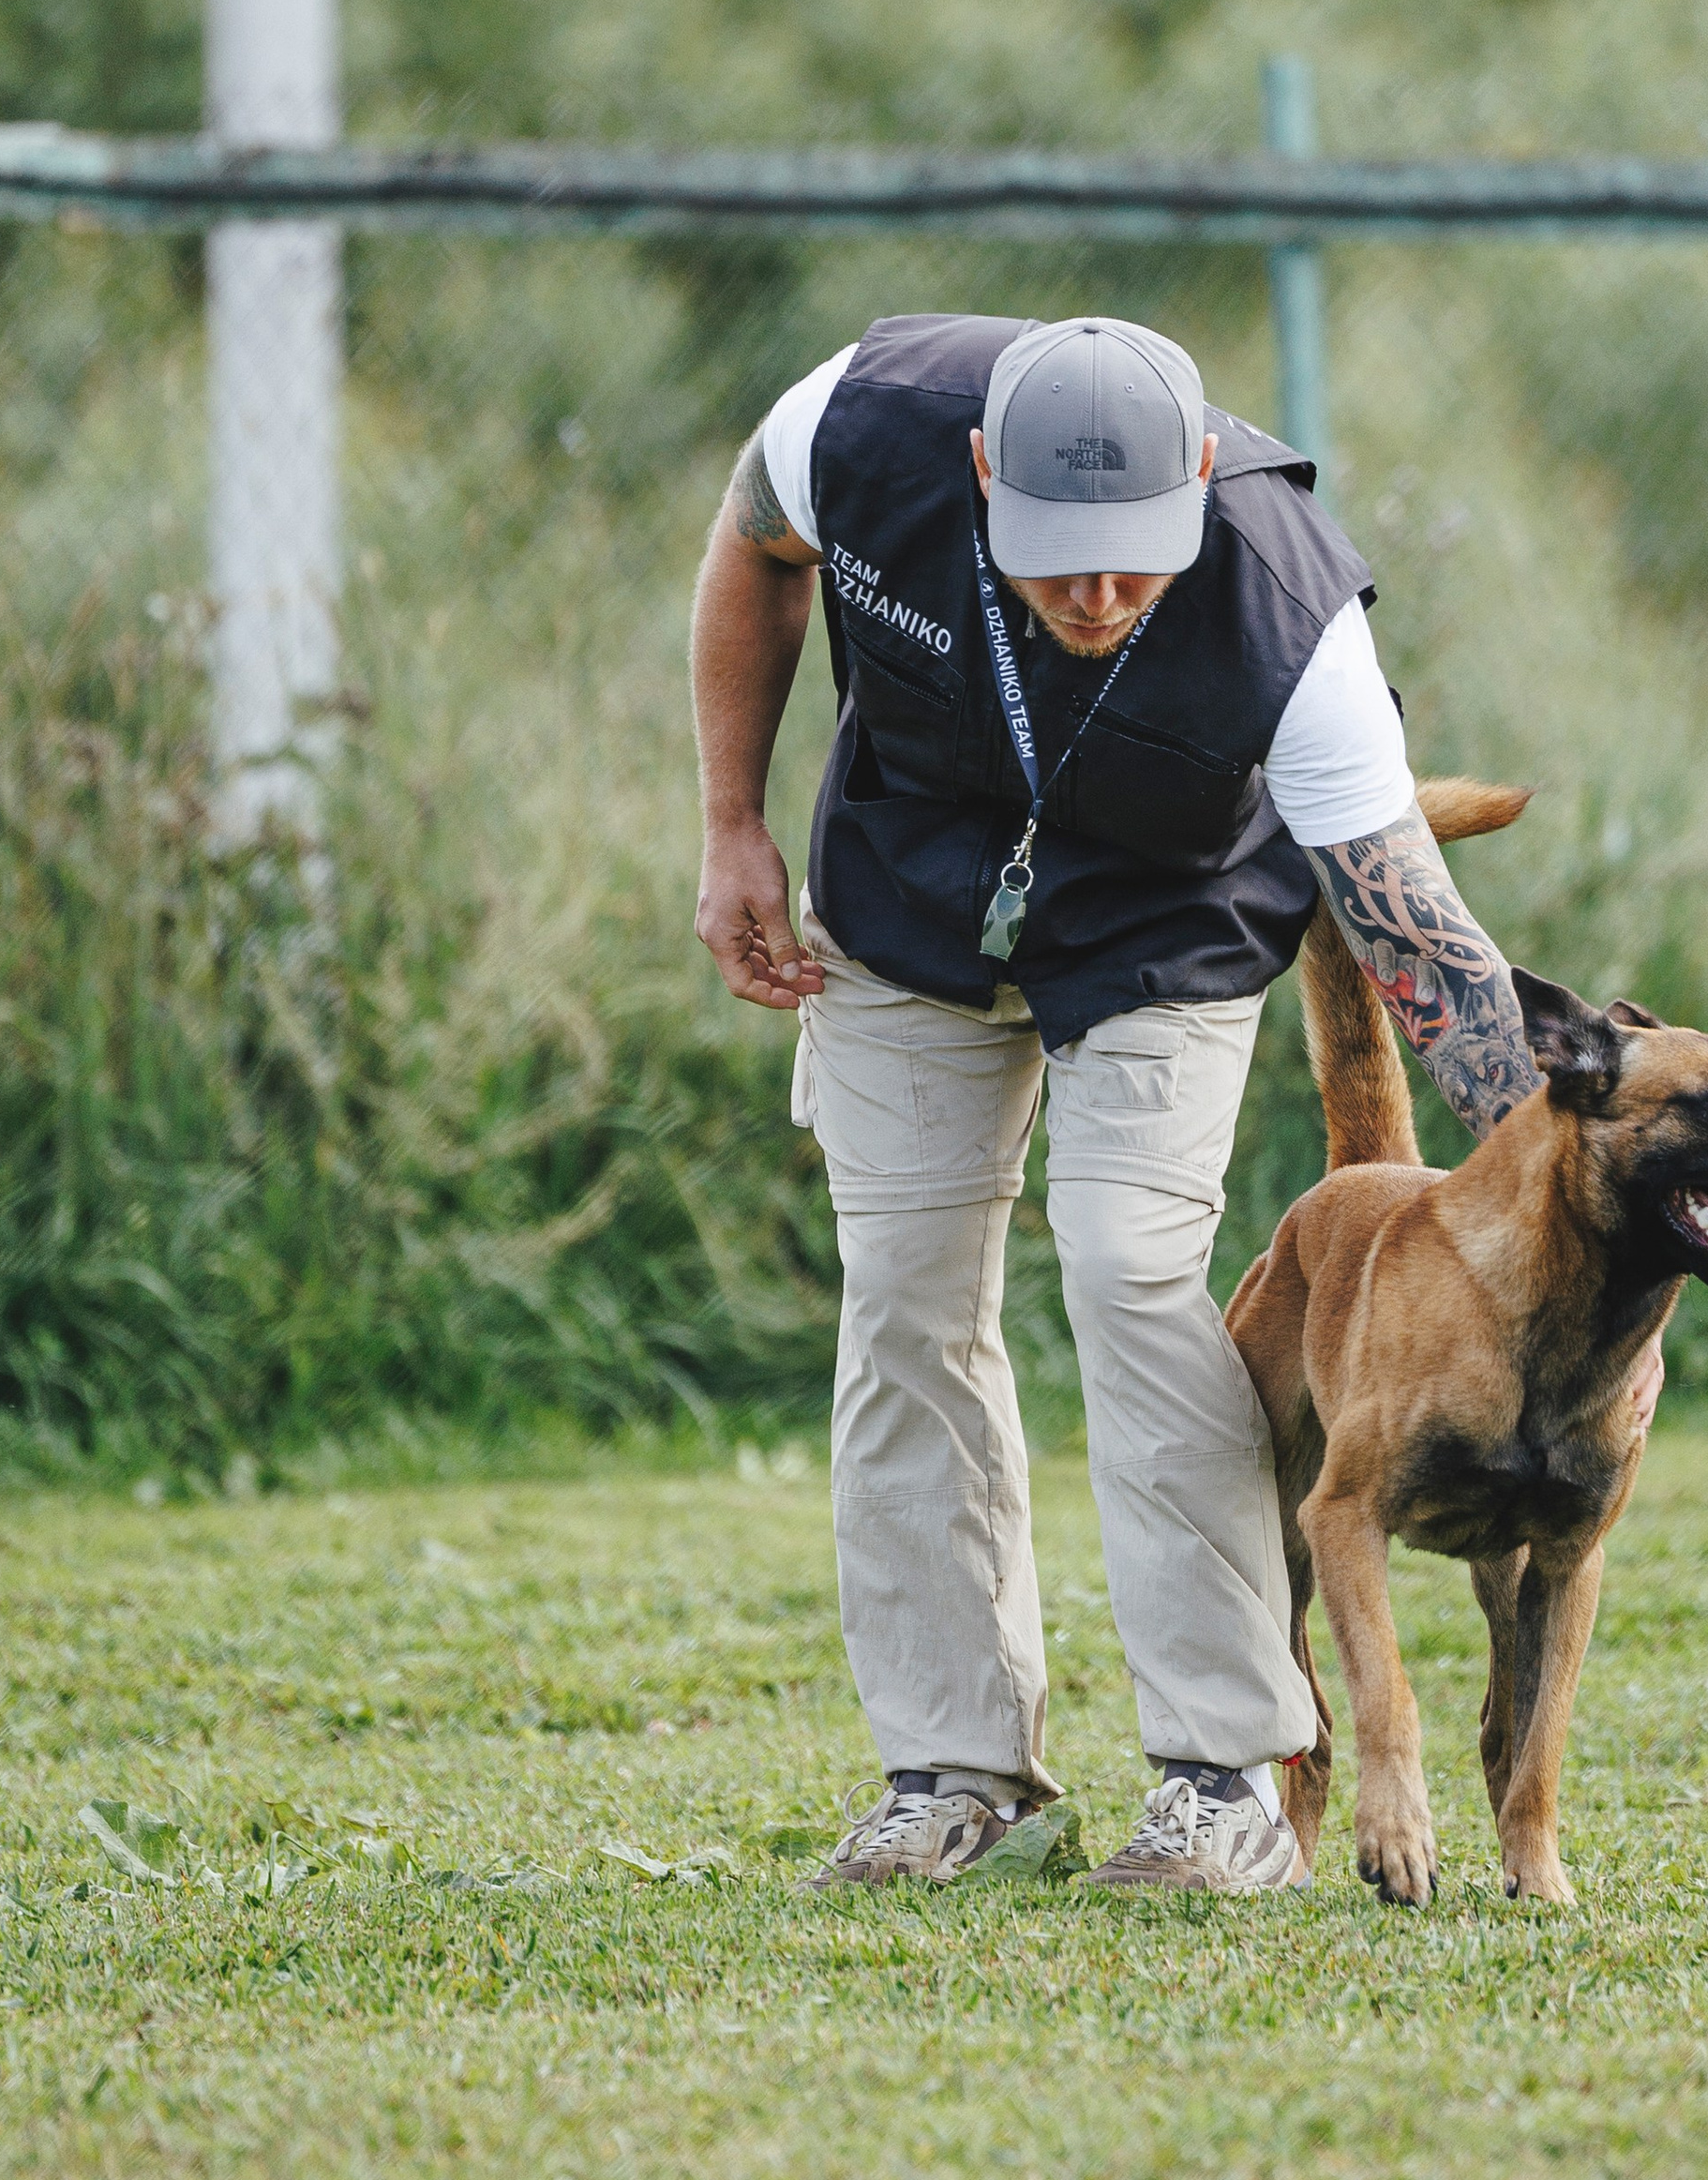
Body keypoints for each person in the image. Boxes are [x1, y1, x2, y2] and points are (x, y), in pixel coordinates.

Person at [692, 308, 1635, 1893]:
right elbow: (752, 548)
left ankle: (1227, 1778)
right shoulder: (850, 428)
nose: (1098, 595)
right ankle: (956, 1773)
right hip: (911, 893)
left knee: (1131, 1268)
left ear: (1197, 478)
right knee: (904, 1300)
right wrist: (731, 821)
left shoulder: (1288, 610)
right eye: (1057, 562)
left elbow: (1423, 948)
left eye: (1134, 559)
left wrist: (1572, 1207)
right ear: (979, 472)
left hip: (1166, 922)